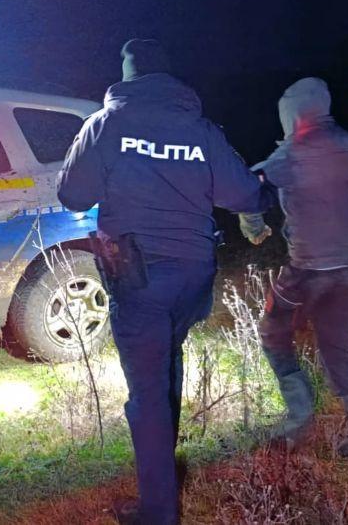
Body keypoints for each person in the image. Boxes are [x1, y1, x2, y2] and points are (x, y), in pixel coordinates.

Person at [57, 38, 274, 525]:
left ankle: (158, 511)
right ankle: (162, 472)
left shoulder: (105, 124)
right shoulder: (201, 129)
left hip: (138, 275)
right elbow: (244, 194)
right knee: (166, 359)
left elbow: (72, 194)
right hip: (193, 274)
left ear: (128, 74)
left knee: (148, 392)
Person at [239, 77, 348, 467]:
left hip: (308, 269)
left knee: (273, 332)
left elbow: (247, 187)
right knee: (335, 347)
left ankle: (299, 417)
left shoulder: (291, 154)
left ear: (292, 113)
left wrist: (253, 226)